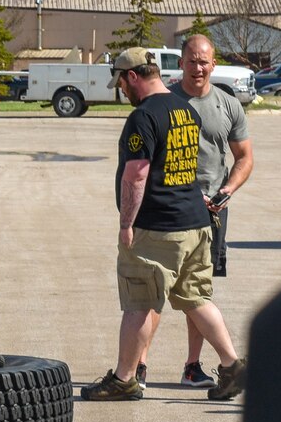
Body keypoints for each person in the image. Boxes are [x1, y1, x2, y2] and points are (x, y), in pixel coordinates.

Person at [84, 46, 246, 402]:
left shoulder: (143, 117)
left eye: (122, 84)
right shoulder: (184, 109)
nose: (122, 91)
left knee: (139, 301)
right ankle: (233, 365)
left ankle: (124, 378)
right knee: (196, 299)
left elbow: (137, 175)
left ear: (132, 77)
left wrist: (127, 223)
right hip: (195, 224)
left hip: (158, 229)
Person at [175, 34, 255, 388]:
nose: (198, 67)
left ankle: (193, 365)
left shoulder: (228, 104)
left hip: (213, 210)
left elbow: (244, 158)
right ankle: (138, 367)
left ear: (213, 63)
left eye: (204, 61)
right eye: (191, 60)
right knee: (153, 289)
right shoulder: (164, 101)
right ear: (181, 63)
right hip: (171, 207)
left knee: (199, 288)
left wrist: (227, 190)